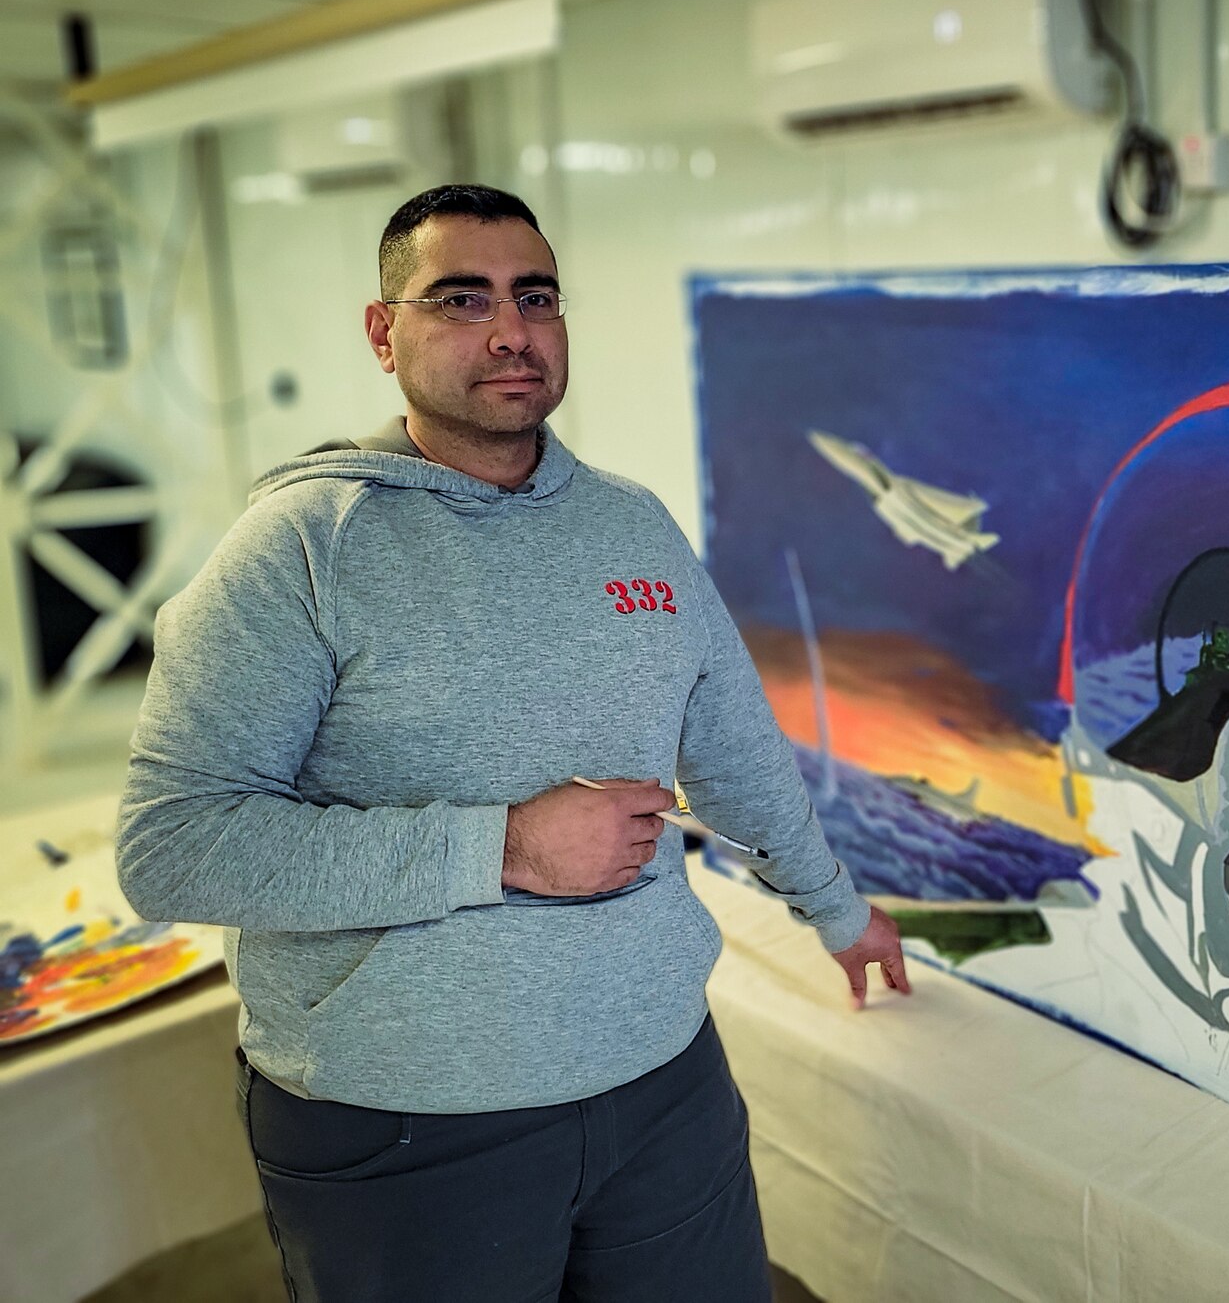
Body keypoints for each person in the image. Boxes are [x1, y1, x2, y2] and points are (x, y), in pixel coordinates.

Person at [117, 183, 908, 1303]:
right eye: (459, 299)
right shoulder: (300, 548)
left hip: (661, 1082)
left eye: (535, 297)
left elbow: (731, 745)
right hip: (409, 1125)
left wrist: (832, 906)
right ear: (383, 334)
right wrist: (504, 849)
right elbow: (172, 848)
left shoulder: (631, 523)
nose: (509, 331)